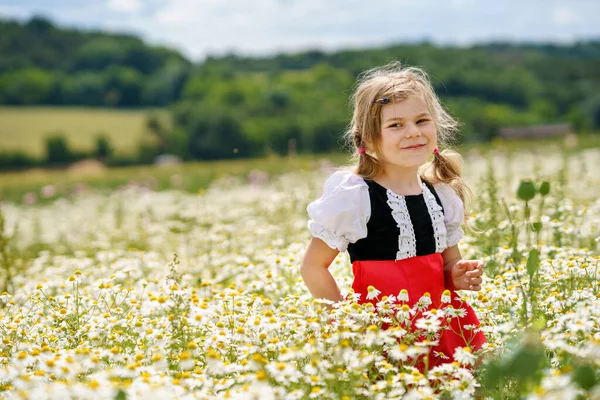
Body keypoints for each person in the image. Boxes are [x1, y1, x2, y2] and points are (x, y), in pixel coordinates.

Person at [300, 61, 486, 371]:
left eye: (422, 120)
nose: (413, 132)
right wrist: (347, 326)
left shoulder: (440, 194)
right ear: (369, 139)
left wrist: (457, 274)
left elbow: (447, 263)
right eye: (396, 125)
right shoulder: (356, 196)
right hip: (384, 332)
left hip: (442, 329)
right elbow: (313, 266)